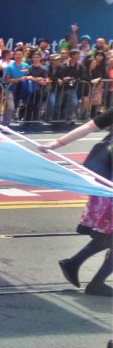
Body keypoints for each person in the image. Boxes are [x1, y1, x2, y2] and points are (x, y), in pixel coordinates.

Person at [41, 110, 112, 296]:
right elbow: (91, 125)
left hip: (106, 178)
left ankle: (76, 265)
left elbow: (90, 126)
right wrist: (56, 144)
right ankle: (88, 276)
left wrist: (56, 144)